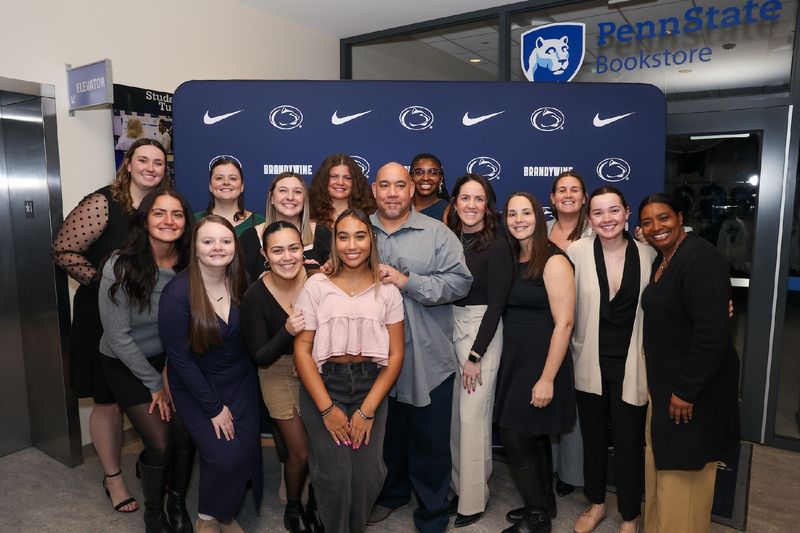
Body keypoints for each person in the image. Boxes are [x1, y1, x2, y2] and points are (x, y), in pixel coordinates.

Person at [52, 138, 168, 515]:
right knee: (107, 400)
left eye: (158, 162)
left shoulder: (163, 208)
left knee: (150, 391)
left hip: (148, 321)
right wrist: (105, 282)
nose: (150, 167)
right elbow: (63, 249)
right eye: (143, 160)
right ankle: (113, 478)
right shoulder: (104, 202)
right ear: (128, 165)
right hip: (102, 317)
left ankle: (151, 455)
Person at [366, 162, 473, 533]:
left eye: (400, 185)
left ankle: (431, 513)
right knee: (386, 437)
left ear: (412, 190)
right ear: (374, 190)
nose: (392, 193)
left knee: (429, 442)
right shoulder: (359, 230)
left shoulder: (437, 233)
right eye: (385, 185)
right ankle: (392, 494)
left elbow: (460, 283)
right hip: (373, 359)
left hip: (427, 357)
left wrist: (407, 281)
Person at [293, 209, 405, 533]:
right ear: (334, 243)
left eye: (360, 236)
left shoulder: (388, 292)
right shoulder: (317, 286)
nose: (351, 245)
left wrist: (367, 410)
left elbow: (396, 355)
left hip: (372, 386)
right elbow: (302, 349)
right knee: (334, 475)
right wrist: (327, 409)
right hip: (325, 384)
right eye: (343, 236)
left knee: (370, 474)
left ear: (371, 239)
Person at [639, 194, 740, 533]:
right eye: (648, 222)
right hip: (666, 386)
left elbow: (713, 333)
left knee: (686, 478)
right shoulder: (664, 258)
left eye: (664, 218)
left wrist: (686, 390)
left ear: (680, 218)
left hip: (691, 393)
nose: (657, 227)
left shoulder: (699, 258)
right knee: (664, 471)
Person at [98, 189, 196, 533]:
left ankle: (177, 500)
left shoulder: (189, 263)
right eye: (159, 213)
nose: (168, 221)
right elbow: (117, 336)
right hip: (125, 363)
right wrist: (156, 384)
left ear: (186, 222)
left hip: (169, 359)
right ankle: (154, 513)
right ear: (144, 219)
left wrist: (171, 370)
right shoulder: (119, 265)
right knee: (161, 441)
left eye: (177, 214)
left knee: (186, 434)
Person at [158, 216, 263, 532]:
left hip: (240, 380)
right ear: (196, 248)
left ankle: (222, 514)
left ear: (235, 246)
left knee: (243, 454)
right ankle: (208, 520)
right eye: (208, 241)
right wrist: (214, 408)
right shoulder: (177, 294)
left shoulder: (242, 280)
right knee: (222, 456)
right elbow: (180, 359)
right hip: (195, 385)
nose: (218, 247)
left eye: (225, 241)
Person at [567, 187, 655, 533]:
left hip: (633, 363)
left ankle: (630, 515)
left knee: (629, 442)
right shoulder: (576, 252)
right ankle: (597, 503)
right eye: (599, 213)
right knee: (592, 438)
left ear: (627, 212)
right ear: (590, 218)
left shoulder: (649, 255)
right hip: (589, 361)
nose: (607, 219)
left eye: (614, 211)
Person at [495, 192, 576, 533]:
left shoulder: (554, 260)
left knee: (515, 437)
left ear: (539, 217)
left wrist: (547, 379)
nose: (518, 220)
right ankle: (544, 503)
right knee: (532, 436)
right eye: (512, 214)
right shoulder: (514, 256)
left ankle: (538, 517)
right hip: (515, 358)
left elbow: (565, 324)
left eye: (525, 213)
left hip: (541, 360)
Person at [444, 174, 513, 527]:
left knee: (474, 418)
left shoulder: (497, 245)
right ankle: (461, 485)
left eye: (479, 199)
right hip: (451, 328)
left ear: (488, 205)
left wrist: (475, 355)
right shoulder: (451, 239)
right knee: (458, 417)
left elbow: (497, 305)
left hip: (480, 332)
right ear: (454, 202)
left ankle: (472, 502)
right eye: (465, 198)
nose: (471, 205)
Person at [241, 221, 312, 533]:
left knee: (311, 444)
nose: (287, 257)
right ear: (264, 254)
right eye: (278, 250)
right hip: (276, 372)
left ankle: (316, 501)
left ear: (303, 249)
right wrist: (288, 331)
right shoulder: (255, 295)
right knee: (299, 450)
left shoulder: (318, 280)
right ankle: (294, 505)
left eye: (293, 248)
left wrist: (309, 357)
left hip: (316, 367)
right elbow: (260, 355)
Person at [546, 170, 591, 497]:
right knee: (548, 396)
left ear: (584, 197)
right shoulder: (542, 230)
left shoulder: (596, 229)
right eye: (562, 190)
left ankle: (572, 473)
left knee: (574, 402)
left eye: (575, 189)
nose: (568, 194)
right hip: (545, 325)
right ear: (552, 198)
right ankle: (549, 465)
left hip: (584, 325)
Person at [240, 172, 330, 281]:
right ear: (271, 197)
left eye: (297, 192)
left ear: (304, 199)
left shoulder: (323, 234)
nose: (290, 197)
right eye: (283, 190)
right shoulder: (250, 238)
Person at [194, 156, 265, 237]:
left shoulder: (258, 222)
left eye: (233, 178)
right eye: (219, 178)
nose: (226, 182)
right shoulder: (194, 221)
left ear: (242, 186)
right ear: (210, 186)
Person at [308, 154, 376, 231]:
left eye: (347, 178)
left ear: (356, 182)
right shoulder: (309, 213)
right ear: (324, 180)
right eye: (334, 177)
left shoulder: (369, 216)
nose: (340, 182)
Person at [410, 153, 449, 222]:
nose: (426, 178)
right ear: (411, 177)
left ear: (441, 179)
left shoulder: (447, 210)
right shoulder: (401, 205)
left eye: (433, 173)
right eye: (419, 172)